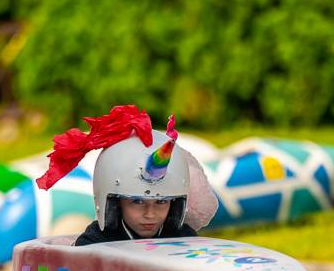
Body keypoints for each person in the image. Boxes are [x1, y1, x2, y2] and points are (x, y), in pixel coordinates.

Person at [35, 105, 216, 245]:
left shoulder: (183, 239)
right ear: (113, 203)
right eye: (137, 202)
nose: (150, 214)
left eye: (161, 201)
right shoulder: (94, 244)